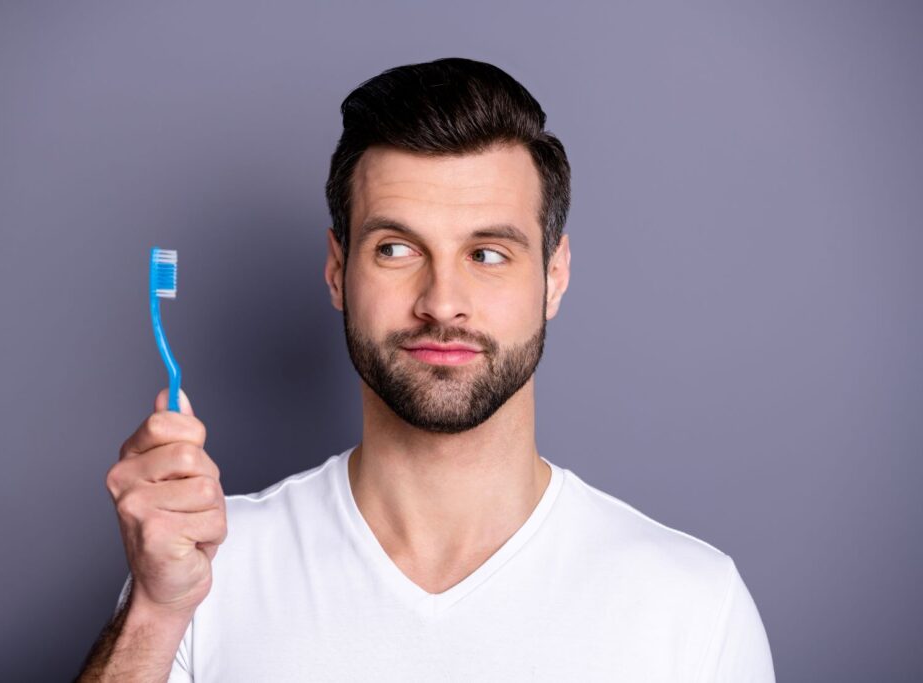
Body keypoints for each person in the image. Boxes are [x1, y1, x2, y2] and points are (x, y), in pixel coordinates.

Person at [78, 57, 775, 682]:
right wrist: (153, 614)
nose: (443, 302)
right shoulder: (203, 572)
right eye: (395, 249)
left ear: (555, 276)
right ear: (335, 270)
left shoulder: (692, 606)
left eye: (489, 254)